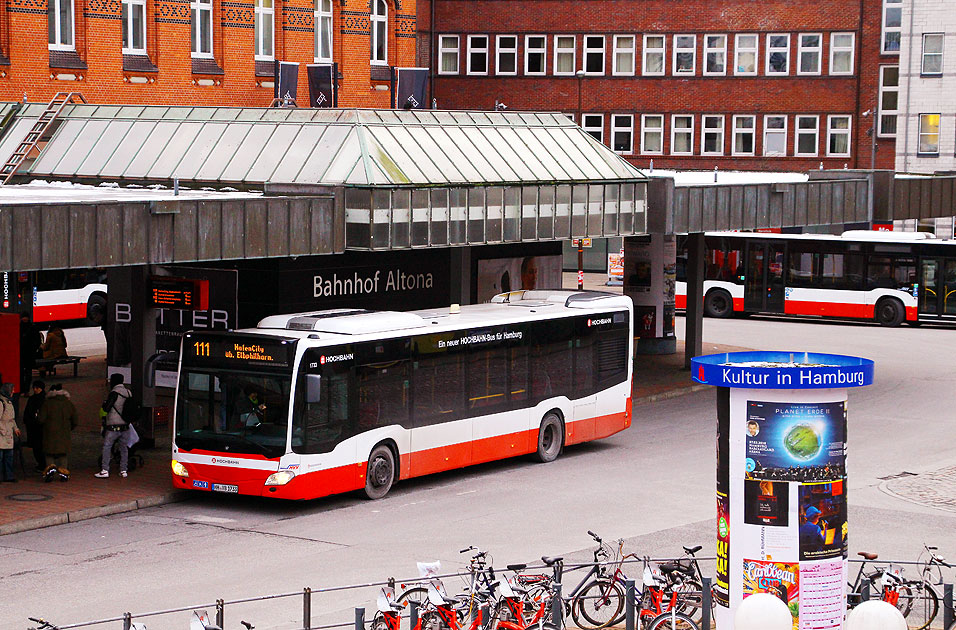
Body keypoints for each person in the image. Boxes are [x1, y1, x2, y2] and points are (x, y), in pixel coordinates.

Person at [38, 383, 78, 482]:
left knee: (49, 453)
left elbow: (41, 419)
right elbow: (75, 420)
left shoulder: (47, 404)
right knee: (63, 454)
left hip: (49, 433)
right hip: (64, 433)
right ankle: (64, 472)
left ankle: (50, 469)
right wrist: (69, 428)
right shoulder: (68, 403)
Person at [95, 374, 132, 479]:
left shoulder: (114, 393)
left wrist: (102, 412)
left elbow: (106, 409)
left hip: (113, 425)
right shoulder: (129, 392)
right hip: (125, 425)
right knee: (124, 448)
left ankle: (105, 470)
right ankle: (123, 470)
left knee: (107, 447)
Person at [23, 380, 47, 472]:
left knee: (38, 447)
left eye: (36, 388)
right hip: (35, 427)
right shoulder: (41, 399)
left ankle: (42, 464)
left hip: (37, 427)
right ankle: (42, 464)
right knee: (38, 447)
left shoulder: (38, 399)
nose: (35, 389)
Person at [0, 383, 21, 482]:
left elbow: (11, 419)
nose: (13, 392)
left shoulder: (8, 402)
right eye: (12, 390)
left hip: (8, 434)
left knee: (9, 456)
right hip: (2, 433)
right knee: (1, 457)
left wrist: (15, 428)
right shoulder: (1, 403)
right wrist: (2, 430)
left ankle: (9, 476)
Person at [19, 312, 42, 395]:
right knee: (24, 373)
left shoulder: (19, 327)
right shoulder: (32, 327)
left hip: (25, 353)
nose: (25, 319)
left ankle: (25, 390)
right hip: (27, 354)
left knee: (26, 373)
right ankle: (23, 389)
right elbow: (38, 341)